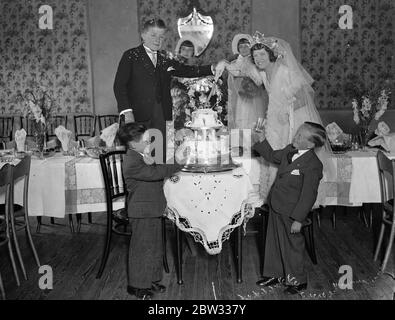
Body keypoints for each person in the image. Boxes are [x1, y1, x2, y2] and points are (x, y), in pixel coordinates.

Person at [114, 18, 215, 162]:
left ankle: (163, 183)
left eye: (161, 36)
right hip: (139, 117)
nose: (157, 40)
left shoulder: (164, 59)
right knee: (143, 159)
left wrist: (212, 68)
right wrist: (127, 112)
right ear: (143, 35)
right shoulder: (130, 56)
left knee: (163, 158)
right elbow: (119, 86)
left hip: (163, 116)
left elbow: (186, 70)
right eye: (153, 35)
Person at [252, 121, 327, 295]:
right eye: (297, 132)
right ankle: (274, 274)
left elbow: (309, 195)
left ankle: (298, 280)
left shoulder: (313, 165)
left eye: (300, 135)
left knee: (292, 246)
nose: (296, 136)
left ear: (309, 144)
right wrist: (262, 137)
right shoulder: (288, 151)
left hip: (292, 212)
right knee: (273, 241)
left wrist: (298, 219)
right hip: (277, 205)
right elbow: (271, 155)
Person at [118, 122, 183, 300]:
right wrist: (178, 163)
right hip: (141, 211)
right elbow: (155, 173)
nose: (149, 144)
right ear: (132, 143)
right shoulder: (131, 160)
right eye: (146, 141)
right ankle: (137, 286)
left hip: (151, 209)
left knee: (154, 246)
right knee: (141, 248)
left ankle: (152, 279)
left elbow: (153, 168)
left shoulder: (140, 155)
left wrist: (148, 155)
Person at [226, 34, 268, 131]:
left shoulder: (256, 61)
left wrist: (252, 74)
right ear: (237, 49)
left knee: (256, 119)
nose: (244, 49)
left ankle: (257, 143)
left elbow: (260, 80)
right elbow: (232, 82)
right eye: (241, 46)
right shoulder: (234, 63)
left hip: (256, 96)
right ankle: (242, 143)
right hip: (241, 97)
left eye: (246, 46)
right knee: (242, 118)